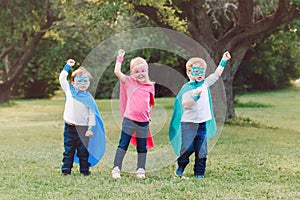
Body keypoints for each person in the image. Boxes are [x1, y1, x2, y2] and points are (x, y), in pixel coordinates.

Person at [169, 51, 231, 179]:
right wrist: (195, 96)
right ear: (189, 73)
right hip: (188, 125)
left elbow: (216, 75)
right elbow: (186, 104)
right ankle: (181, 166)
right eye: (196, 71)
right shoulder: (187, 88)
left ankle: (199, 173)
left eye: (202, 71)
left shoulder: (204, 84)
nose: (199, 74)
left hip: (202, 123)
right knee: (187, 148)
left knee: (202, 150)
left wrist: (223, 61)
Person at [112, 49, 155, 179]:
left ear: (147, 71)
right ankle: (116, 168)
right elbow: (117, 72)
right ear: (132, 73)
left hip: (143, 121)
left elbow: (150, 102)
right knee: (123, 144)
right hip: (129, 120)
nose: (140, 74)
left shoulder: (150, 86)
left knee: (142, 147)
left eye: (143, 71)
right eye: (137, 72)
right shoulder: (130, 82)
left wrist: (149, 115)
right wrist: (120, 58)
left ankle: (140, 169)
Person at [59, 59, 106, 176]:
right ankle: (66, 171)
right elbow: (62, 79)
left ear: (89, 83)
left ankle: (84, 171)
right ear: (73, 83)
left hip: (83, 129)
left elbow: (92, 114)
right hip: (69, 128)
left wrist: (90, 128)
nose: (83, 83)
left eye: (85, 81)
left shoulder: (88, 98)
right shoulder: (70, 92)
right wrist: (67, 67)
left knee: (83, 151)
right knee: (68, 151)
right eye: (79, 81)